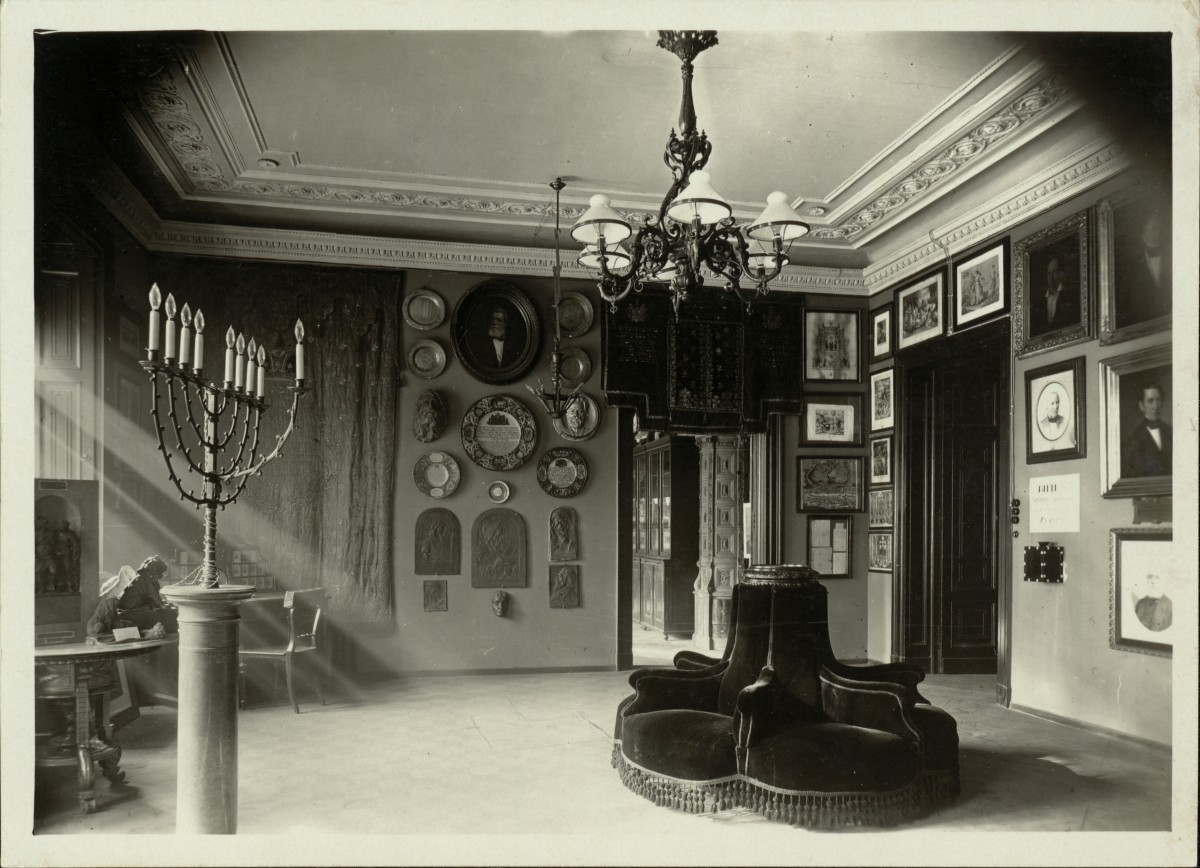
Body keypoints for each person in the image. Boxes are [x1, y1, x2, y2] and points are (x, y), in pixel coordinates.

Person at [1121, 383, 1171, 477]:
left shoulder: (1171, 431)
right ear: (1141, 406)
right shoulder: (1132, 442)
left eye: (1158, 400)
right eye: (1150, 401)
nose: (1155, 406)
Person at [1032, 255, 1079, 336]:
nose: (1051, 276)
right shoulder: (1040, 303)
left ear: (1061, 273)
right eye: (1049, 273)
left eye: (1054, 272)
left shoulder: (1069, 295)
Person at [468, 305, 523, 369]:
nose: (494, 322)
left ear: (505, 323)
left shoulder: (514, 345)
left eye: (499, 320)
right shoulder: (480, 344)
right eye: (493, 319)